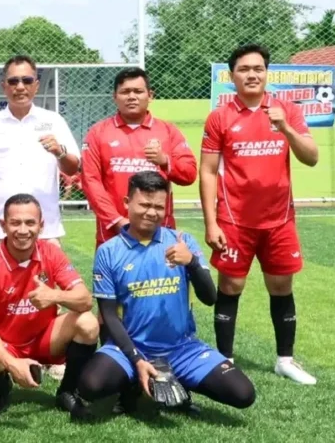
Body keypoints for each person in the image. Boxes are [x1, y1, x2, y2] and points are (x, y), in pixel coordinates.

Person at [74, 171, 255, 417]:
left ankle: (178, 381)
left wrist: (191, 262)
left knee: (243, 394)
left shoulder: (181, 242)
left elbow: (210, 297)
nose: (152, 212)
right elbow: (109, 314)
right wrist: (136, 358)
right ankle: (134, 385)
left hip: (182, 349)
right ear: (127, 204)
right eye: (145, 204)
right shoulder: (109, 251)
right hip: (129, 348)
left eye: (159, 206)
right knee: (91, 385)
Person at [201, 44, 319, 385]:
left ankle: (285, 359)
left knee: (281, 285)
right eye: (244, 69)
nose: (252, 74)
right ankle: (225, 359)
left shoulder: (287, 111)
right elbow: (208, 172)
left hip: (279, 219)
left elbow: (311, 157)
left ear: (267, 73)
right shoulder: (220, 117)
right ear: (232, 75)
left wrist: (287, 129)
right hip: (234, 220)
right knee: (231, 284)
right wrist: (211, 222)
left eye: (258, 68)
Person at [0, 193, 99, 415]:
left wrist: (54, 296)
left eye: (30, 223)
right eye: (15, 223)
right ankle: (2, 381)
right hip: (5, 343)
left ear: (41, 226)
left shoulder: (51, 253)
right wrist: (12, 364)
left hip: (43, 339)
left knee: (88, 324)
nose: (23, 230)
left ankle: (67, 391)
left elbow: (85, 300)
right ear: (3, 225)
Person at [0, 55, 80, 249]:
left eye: (27, 80)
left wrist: (59, 152)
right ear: (4, 86)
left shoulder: (54, 121)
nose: (20, 87)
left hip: (45, 228)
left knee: (45, 280)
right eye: (13, 81)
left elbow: (73, 168)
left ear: (36, 85)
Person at [81, 67, 197, 249]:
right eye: (125, 92)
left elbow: (189, 174)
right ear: (115, 97)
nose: (132, 96)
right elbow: (90, 181)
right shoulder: (98, 133)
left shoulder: (168, 131)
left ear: (150, 95)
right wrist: (116, 220)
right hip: (113, 233)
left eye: (138, 91)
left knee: (162, 278)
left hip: (160, 232)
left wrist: (165, 161)